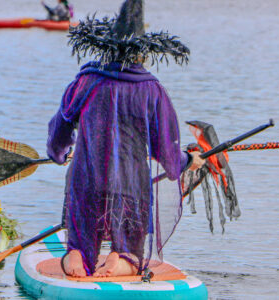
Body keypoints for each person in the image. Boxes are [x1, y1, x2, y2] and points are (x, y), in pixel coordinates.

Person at [46, 0, 205, 278]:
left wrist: (60, 153)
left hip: (86, 179)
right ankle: (122, 259)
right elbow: (166, 152)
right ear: (141, 52)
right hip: (130, 184)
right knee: (134, 251)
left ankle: (76, 255)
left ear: (106, 45)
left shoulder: (86, 80)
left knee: (80, 241)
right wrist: (189, 160)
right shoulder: (151, 89)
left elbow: (60, 129)